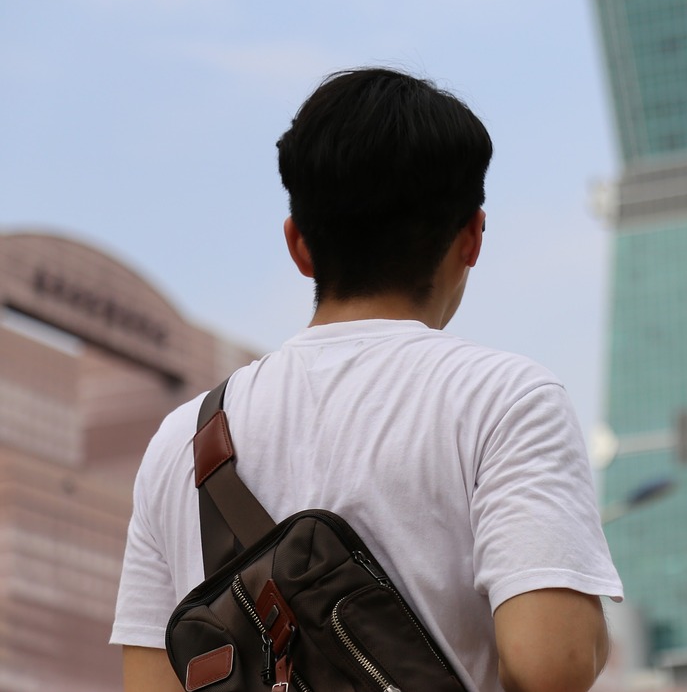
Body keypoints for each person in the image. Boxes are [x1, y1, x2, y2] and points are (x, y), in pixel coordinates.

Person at [110, 67, 622, 692]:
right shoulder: (506, 400)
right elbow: (550, 665)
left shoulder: (183, 443)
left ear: (299, 246)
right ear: (472, 237)